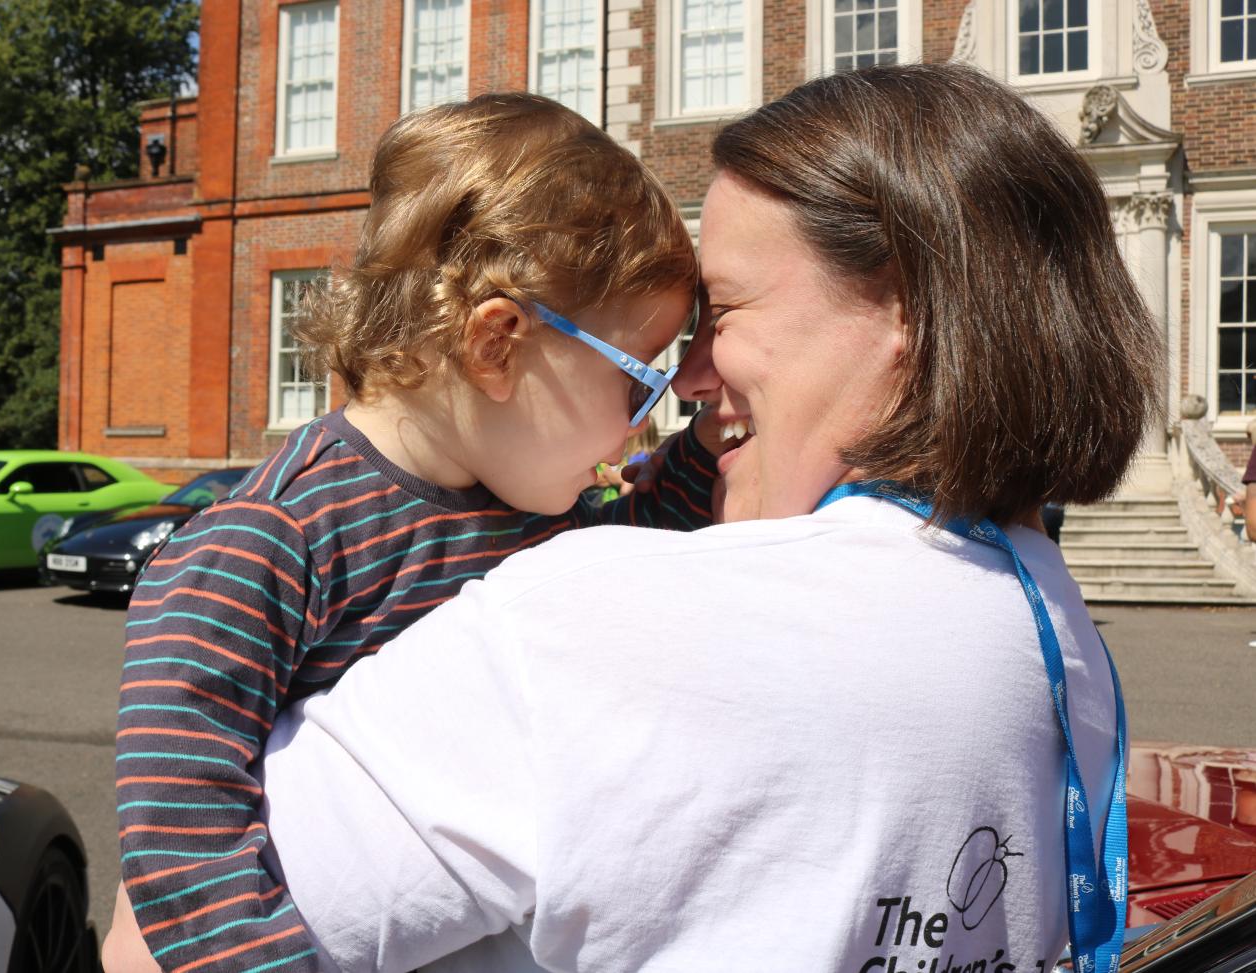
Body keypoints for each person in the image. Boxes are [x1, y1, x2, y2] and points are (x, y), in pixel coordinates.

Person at [251, 64, 1159, 972]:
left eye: (721, 312)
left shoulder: (579, 626)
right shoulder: (1050, 628)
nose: (684, 381)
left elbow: (184, 925)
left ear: (906, 310)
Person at [104, 93, 728, 973]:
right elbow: (182, 825)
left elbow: (628, 542)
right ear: (497, 344)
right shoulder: (269, 544)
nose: (646, 422)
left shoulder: (524, 500)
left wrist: (708, 451)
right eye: (638, 383)